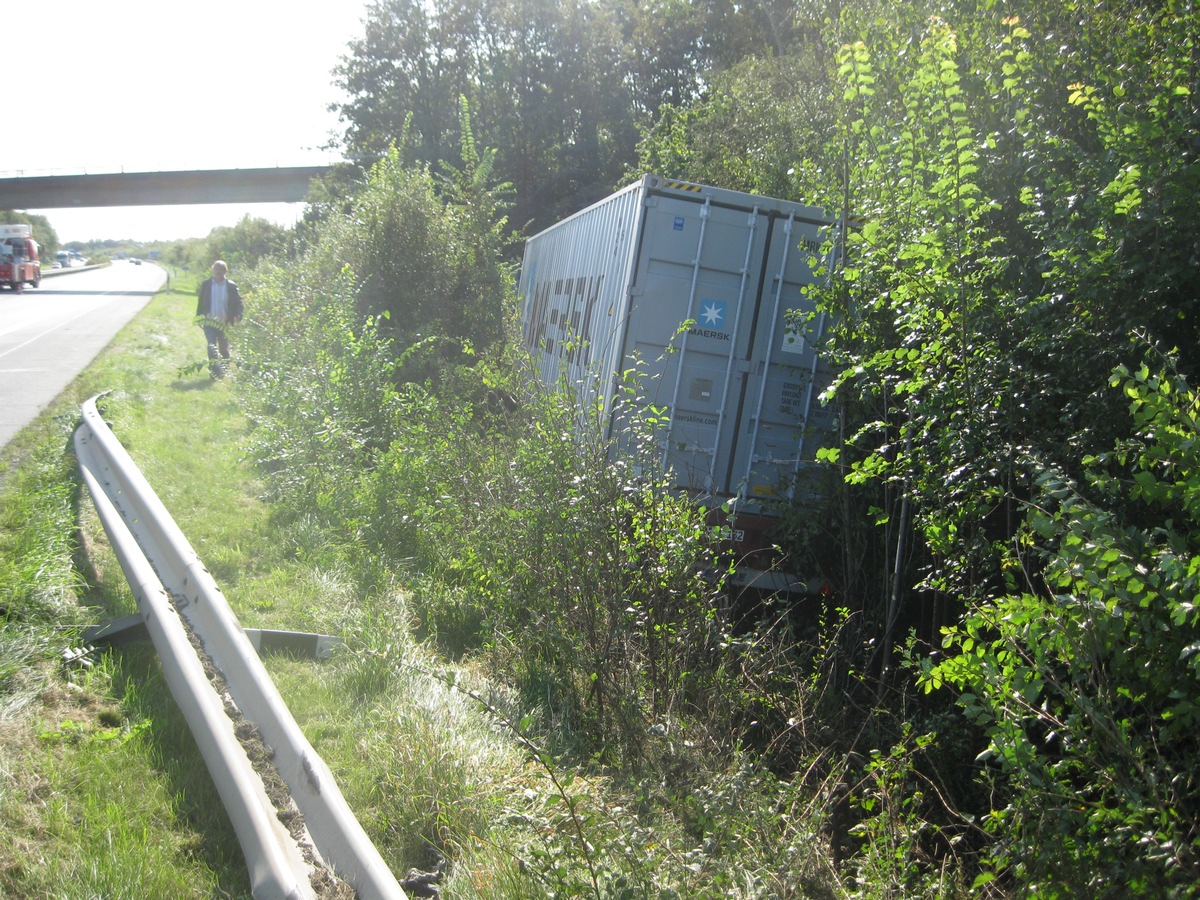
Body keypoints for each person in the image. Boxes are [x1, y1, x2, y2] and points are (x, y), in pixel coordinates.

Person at [196, 260, 244, 375]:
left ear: (225, 271)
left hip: (225, 322)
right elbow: (201, 301)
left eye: (221, 269)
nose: (218, 271)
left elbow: (239, 302)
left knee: (223, 349)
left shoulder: (231, 286)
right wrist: (198, 316)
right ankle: (215, 372)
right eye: (216, 269)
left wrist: (238, 314)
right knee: (212, 347)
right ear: (212, 270)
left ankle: (224, 368)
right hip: (209, 321)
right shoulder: (206, 284)